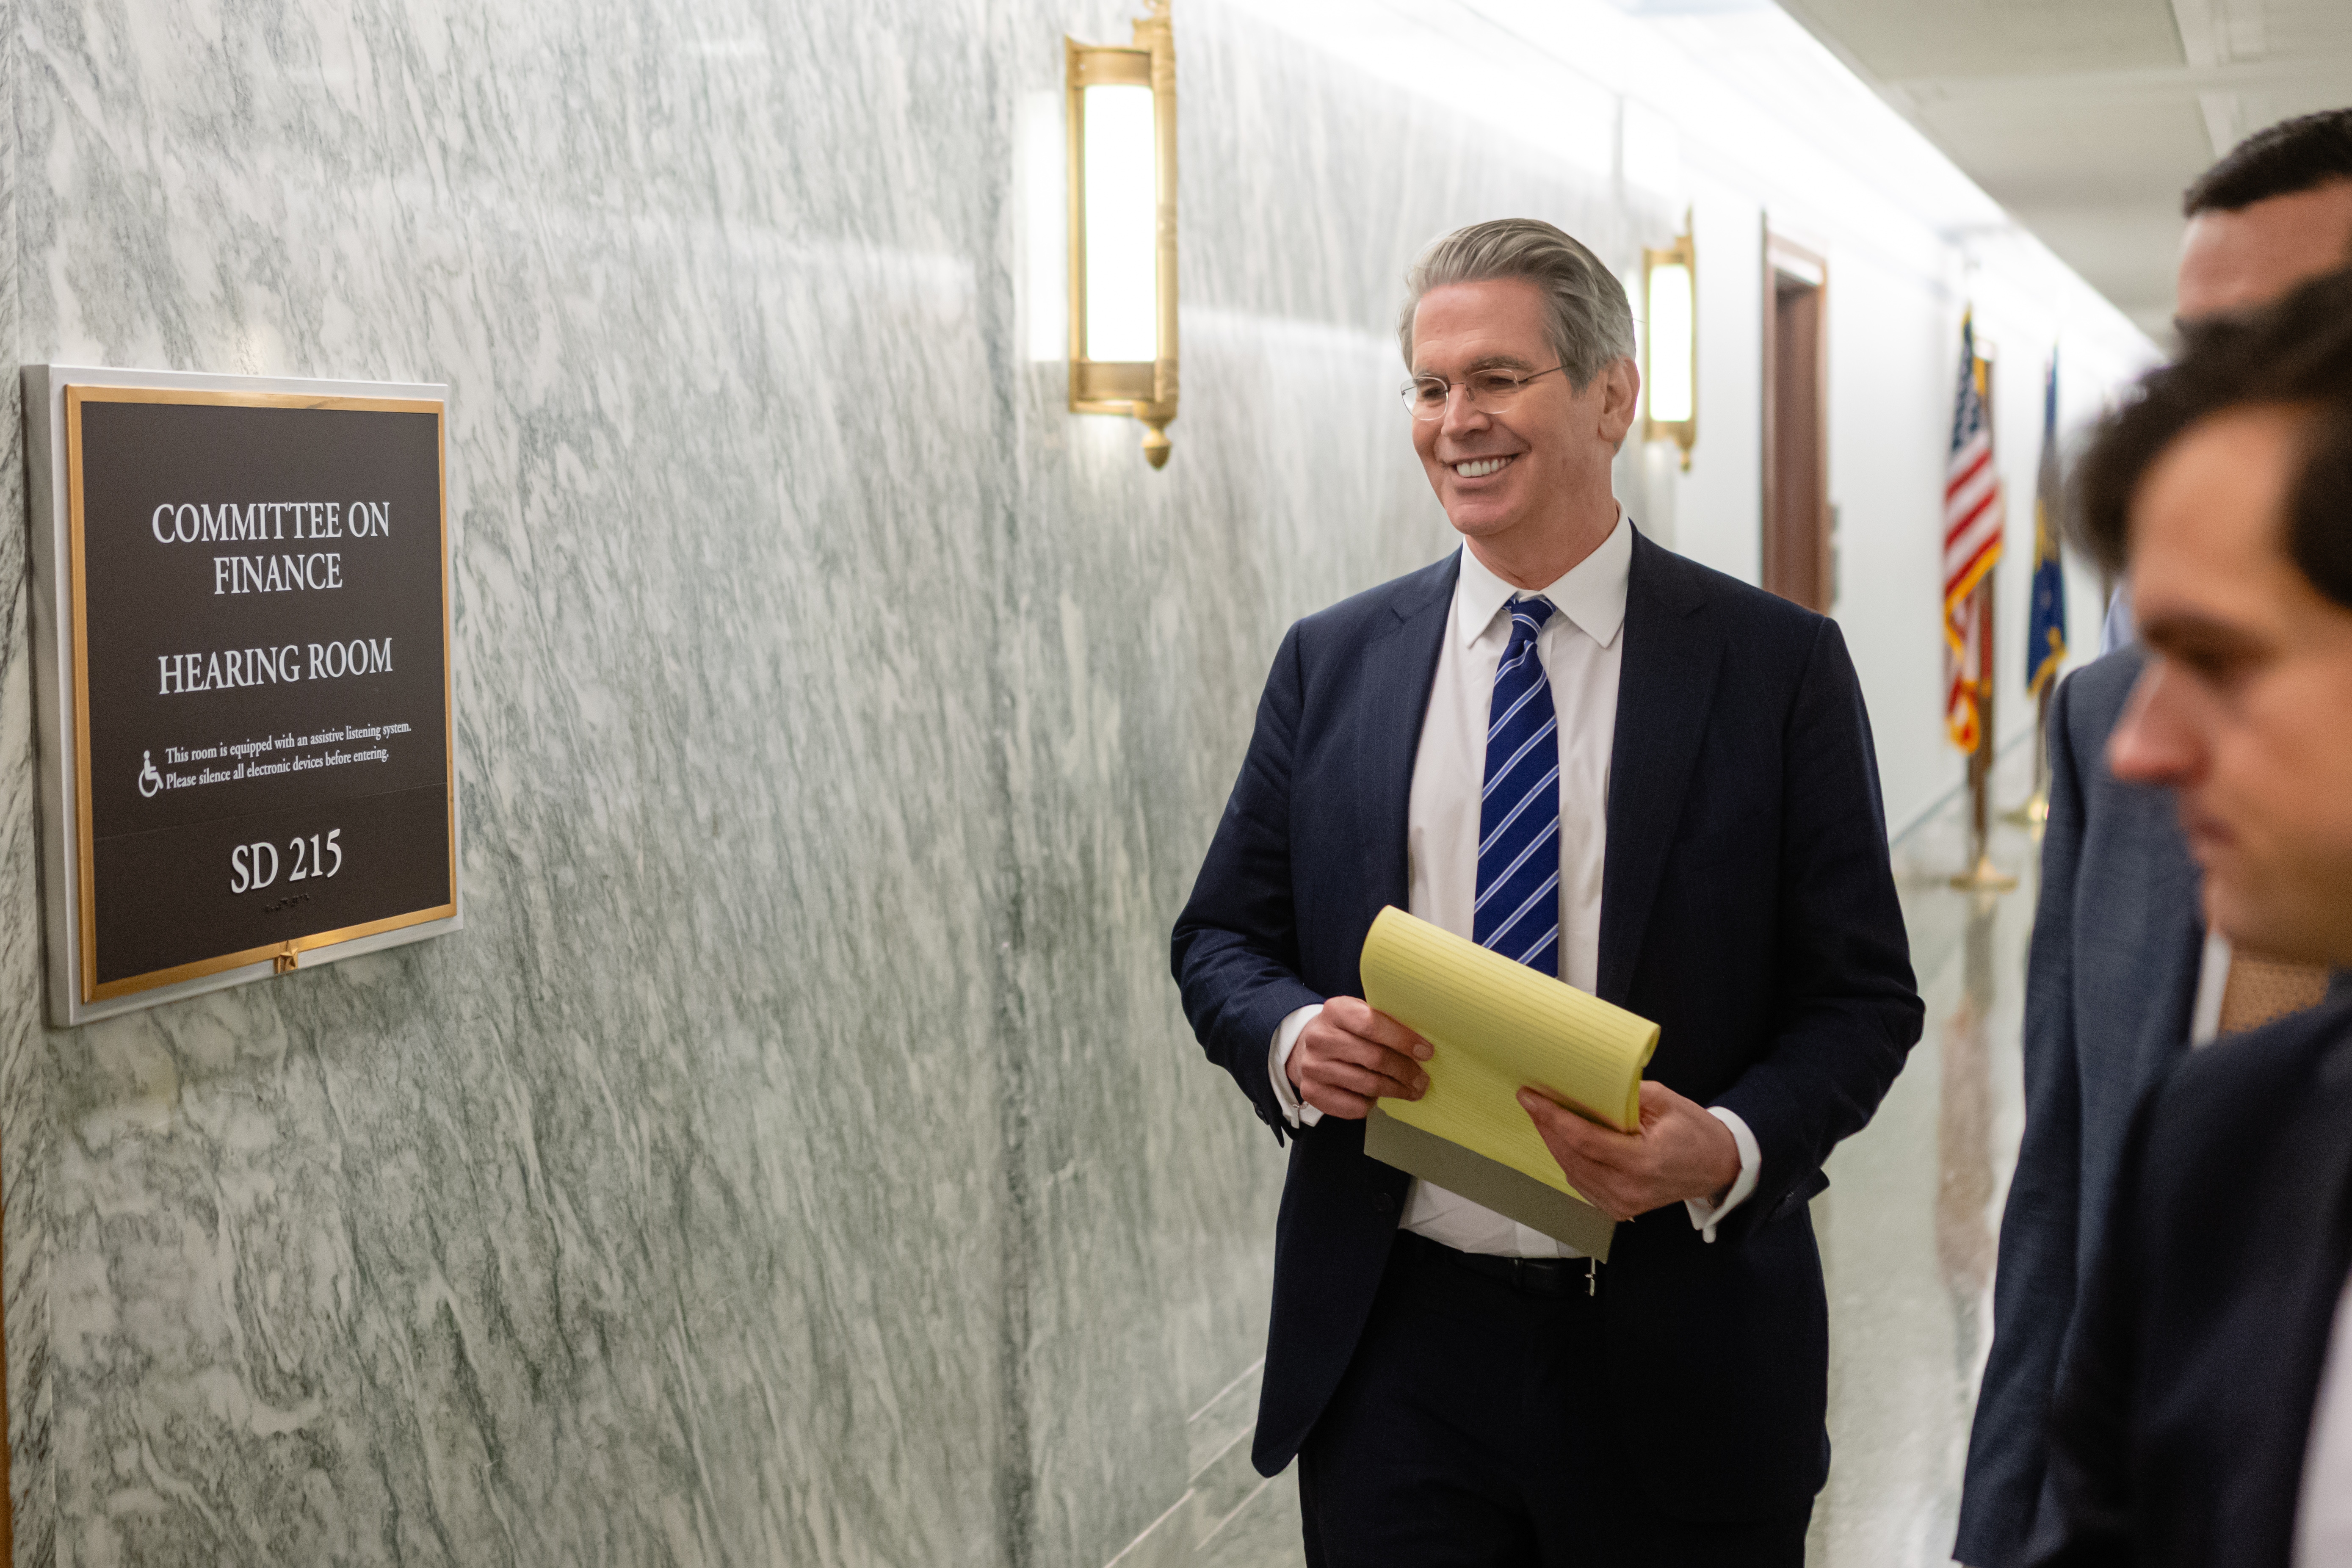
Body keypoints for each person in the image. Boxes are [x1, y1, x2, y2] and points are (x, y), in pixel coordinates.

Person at [1169, 218, 1922, 1566]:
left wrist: (1731, 1146)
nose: (1456, 420)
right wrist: (1292, 1037)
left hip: (1680, 1348)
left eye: (1497, 378)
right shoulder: (1332, 661)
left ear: (1609, 396)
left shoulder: (1774, 668)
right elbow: (1223, 933)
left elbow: (1862, 997)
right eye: (1428, 386)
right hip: (1394, 1343)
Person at [1957, 109, 2352, 1568]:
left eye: (2291, 351)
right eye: (2200, 366)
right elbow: (2061, 1209)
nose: (2151, 748)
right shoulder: (2110, 725)